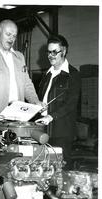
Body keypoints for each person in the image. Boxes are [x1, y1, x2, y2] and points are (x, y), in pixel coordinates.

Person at [0, 19, 43, 126]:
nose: (11, 38)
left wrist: (35, 102)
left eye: (14, 35)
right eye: (8, 34)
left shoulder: (19, 57)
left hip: (16, 117)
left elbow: (27, 84)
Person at [37, 34, 81, 170]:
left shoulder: (73, 74)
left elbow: (71, 103)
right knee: (43, 169)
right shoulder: (46, 75)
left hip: (62, 132)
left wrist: (51, 116)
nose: (51, 55)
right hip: (43, 130)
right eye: (49, 52)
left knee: (61, 170)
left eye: (55, 52)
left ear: (64, 51)